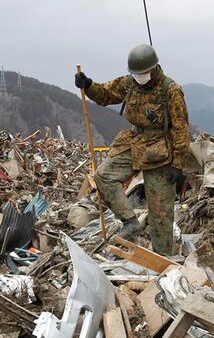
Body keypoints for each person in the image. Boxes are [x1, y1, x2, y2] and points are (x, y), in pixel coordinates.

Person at [74, 44, 190, 255]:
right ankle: (130, 221)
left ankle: (162, 260)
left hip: (160, 151)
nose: (140, 77)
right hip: (134, 142)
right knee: (104, 175)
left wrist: (178, 163)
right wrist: (88, 85)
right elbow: (106, 94)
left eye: (143, 73)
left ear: (154, 68)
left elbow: (181, 127)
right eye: (136, 73)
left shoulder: (170, 90)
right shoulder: (129, 83)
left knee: (160, 215)